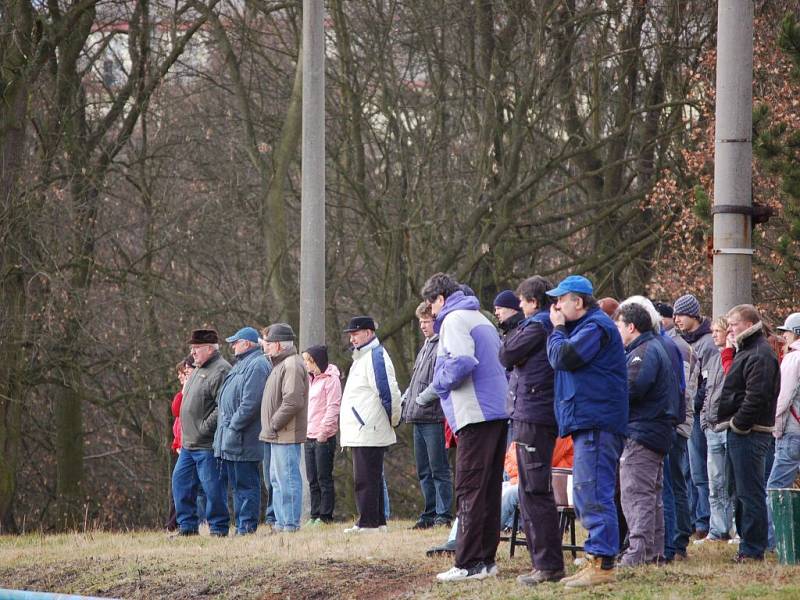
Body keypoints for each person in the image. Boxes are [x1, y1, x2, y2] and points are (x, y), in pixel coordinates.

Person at [420, 273, 509, 583]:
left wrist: (438, 385)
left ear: (440, 298)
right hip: (497, 412)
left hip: (475, 413)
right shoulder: (480, 317)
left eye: (431, 304)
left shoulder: (455, 319)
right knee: (488, 490)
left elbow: (461, 362)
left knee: (469, 489)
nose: (430, 312)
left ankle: (467, 561)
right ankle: (485, 560)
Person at [546, 275, 628, 588]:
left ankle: (604, 564)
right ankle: (596, 557)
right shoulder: (587, 327)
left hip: (597, 421)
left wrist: (556, 330)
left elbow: (562, 358)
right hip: (590, 420)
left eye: (561, 300)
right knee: (586, 492)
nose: (555, 306)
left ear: (577, 302)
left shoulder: (595, 328)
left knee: (593, 492)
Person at [498, 275, 564, 586]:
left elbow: (506, 354)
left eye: (521, 302)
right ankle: (544, 562)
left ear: (533, 302)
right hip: (530, 413)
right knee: (528, 488)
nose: (518, 308)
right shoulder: (538, 326)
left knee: (535, 489)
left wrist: (514, 345)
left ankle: (548, 564)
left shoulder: (537, 326)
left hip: (534, 415)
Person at [614, 303, 680, 566]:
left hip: (643, 430)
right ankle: (653, 551)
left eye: (618, 326)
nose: (616, 331)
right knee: (652, 495)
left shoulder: (644, 352)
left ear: (631, 327)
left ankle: (638, 552)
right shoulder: (654, 347)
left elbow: (631, 388)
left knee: (636, 492)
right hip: (655, 430)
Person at [717, 304, 780, 561]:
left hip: (750, 433)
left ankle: (753, 549)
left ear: (748, 323)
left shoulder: (759, 353)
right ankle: (748, 545)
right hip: (745, 431)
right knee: (740, 490)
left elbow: (757, 396)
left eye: (733, 324)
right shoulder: (750, 350)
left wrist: (738, 424)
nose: (730, 329)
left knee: (750, 491)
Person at [339, 316, 402, 533]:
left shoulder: (375, 356)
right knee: (369, 476)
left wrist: (394, 420)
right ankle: (377, 522)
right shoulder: (363, 356)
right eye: (350, 334)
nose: (352, 338)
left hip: (368, 427)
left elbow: (388, 392)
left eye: (355, 333)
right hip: (364, 427)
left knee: (365, 478)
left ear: (369, 333)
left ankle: (368, 523)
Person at [172, 329, 231, 536]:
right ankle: (187, 526)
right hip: (188, 444)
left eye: (196, 348)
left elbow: (222, 406)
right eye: (192, 348)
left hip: (206, 444)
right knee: (180, 483)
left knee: (213, 488)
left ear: (209, 348)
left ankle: (218, 528)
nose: (193, 352)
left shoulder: (221, 370)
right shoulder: (197, 368)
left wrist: (205, 428)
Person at [213, 327, 270, 535]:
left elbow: (250, 404)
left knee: (246, 485)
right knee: (237, 486)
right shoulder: (242, 365)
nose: (232, 346)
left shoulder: (257, 365)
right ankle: (241, 526)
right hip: (233, 437)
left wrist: (233, 426)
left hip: (244, 438)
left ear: (246, 343)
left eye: (235, 342)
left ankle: (246, 527)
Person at [402, 302, 453, 530]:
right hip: (417, 418)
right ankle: (429, 513)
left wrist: (421, 398)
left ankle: (443, 514)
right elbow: (415, 382)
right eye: (421, 321)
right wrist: (406, 398)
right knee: (423, 470)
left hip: (434, 417)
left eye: (427, 321)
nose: (423, 325)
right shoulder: (424, 347)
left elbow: (439, 382)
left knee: (439, 469)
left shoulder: (442, 345)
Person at [673, 293, 716, 540]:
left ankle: (703, 521)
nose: (677, 319)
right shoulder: (681, 340)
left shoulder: (707, 343)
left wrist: (694, 405)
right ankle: (689, 519)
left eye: (681, 314)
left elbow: (706, 381)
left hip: (698, 414)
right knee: (687, 470)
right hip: (687, 412)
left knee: (699, 471)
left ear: (693, 315)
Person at [259, 323, 309, 533]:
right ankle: (280, 524)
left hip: (285, 434)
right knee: (276, 481)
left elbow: (293, 401)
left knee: (287, 480)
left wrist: (273, 424)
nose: (265, 347)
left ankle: (289, 524)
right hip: (276, 435)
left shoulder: (291, 365)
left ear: (278, 345)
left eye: (269, 343)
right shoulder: (280, 365)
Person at [696, 316, 735, 544]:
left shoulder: (735, 358)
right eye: (712, 331)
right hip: (711, 427)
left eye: (718, 330)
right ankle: (717, 530)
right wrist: (703, 420)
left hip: (729, 427)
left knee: (734, 483)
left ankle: (737, 530)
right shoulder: (711, 359)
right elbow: (706, 392)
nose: (714, 335)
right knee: (715, 483)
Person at [766, 313, 800, 547]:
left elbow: (782, 397)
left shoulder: (793, 358)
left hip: (792, 432)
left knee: (776, 488)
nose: (783, 336)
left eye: (786, 332)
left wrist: (772, 425)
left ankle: (775, 540)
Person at [303, 344, 342, 525]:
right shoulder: (312, 379)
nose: (306, 365)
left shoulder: (331, 379)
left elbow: (333, 407)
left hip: (323, 436)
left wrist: (323, 433)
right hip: (309, 434)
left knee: (323, 477)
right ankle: (314, 514)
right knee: (312, 478)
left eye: (308, 361)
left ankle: (325, 516)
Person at [166, 356, 194, 532]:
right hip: (182, 445)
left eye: (183, 373)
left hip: (191, 445)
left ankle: (180, 523)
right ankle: (174, 524)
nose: (180, 377)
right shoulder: (183, 392)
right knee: (178, 484)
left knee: (187, 486)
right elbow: (176, 412)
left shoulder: (191, 391)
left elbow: (179, 410)